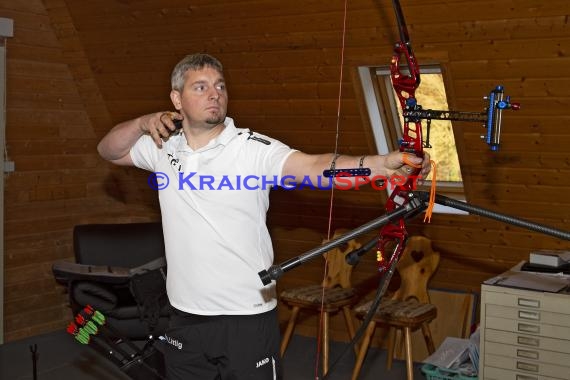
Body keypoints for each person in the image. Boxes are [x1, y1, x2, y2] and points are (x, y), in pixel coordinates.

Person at [97, 53, 430, 380]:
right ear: (176, 99)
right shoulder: (161, 147)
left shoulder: (252, 148)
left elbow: (314, 167)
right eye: (200, 87)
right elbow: (109, 150)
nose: (215, 94)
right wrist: (142, 123)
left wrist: (379, 165)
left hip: (247, 316)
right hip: (185, 314)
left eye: (220, 86)